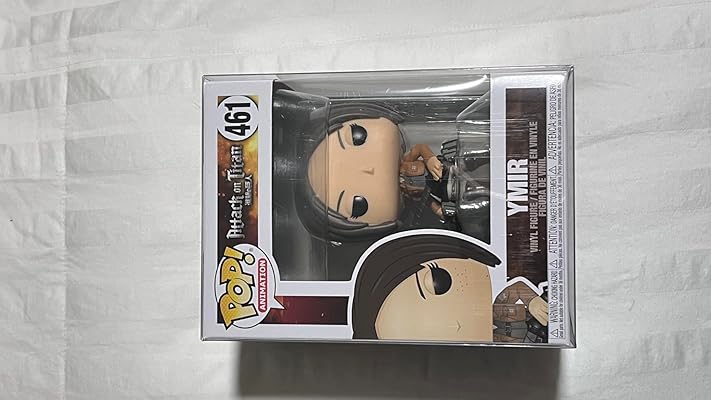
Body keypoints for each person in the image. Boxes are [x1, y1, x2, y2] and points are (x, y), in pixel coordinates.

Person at [350, 232, 548, 342]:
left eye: (440, 282)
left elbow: (517, 287)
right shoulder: (494, 346)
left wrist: (532, 300)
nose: (454, 325)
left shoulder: (500, 303)